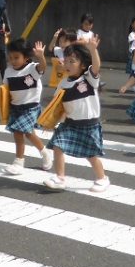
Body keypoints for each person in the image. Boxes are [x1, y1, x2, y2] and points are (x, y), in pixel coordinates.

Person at [44, 38, 109, 192]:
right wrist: (51, 122)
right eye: (65, 61)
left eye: (72, 61)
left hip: (89, 125)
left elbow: (97, 66)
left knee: (91, 154)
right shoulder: (63, 84)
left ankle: (102, 178)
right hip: (70, 124)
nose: (67, 65)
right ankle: (60, 178)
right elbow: (57, 107)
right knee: (58, 146)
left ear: (83, 65)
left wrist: (93, 49)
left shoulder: (89, 79)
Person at [1, 38, 52, 175]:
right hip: (16, 107)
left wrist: (41, 56)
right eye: (10, 58)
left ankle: (19, 162)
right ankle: (45, 153)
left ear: (26, 57)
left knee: (18, 132)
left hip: (31, 107)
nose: (13, 61)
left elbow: (42, 67)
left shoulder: (32, 68)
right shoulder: (8, 71)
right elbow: (5, 90)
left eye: (16, 57)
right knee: (29, 134)